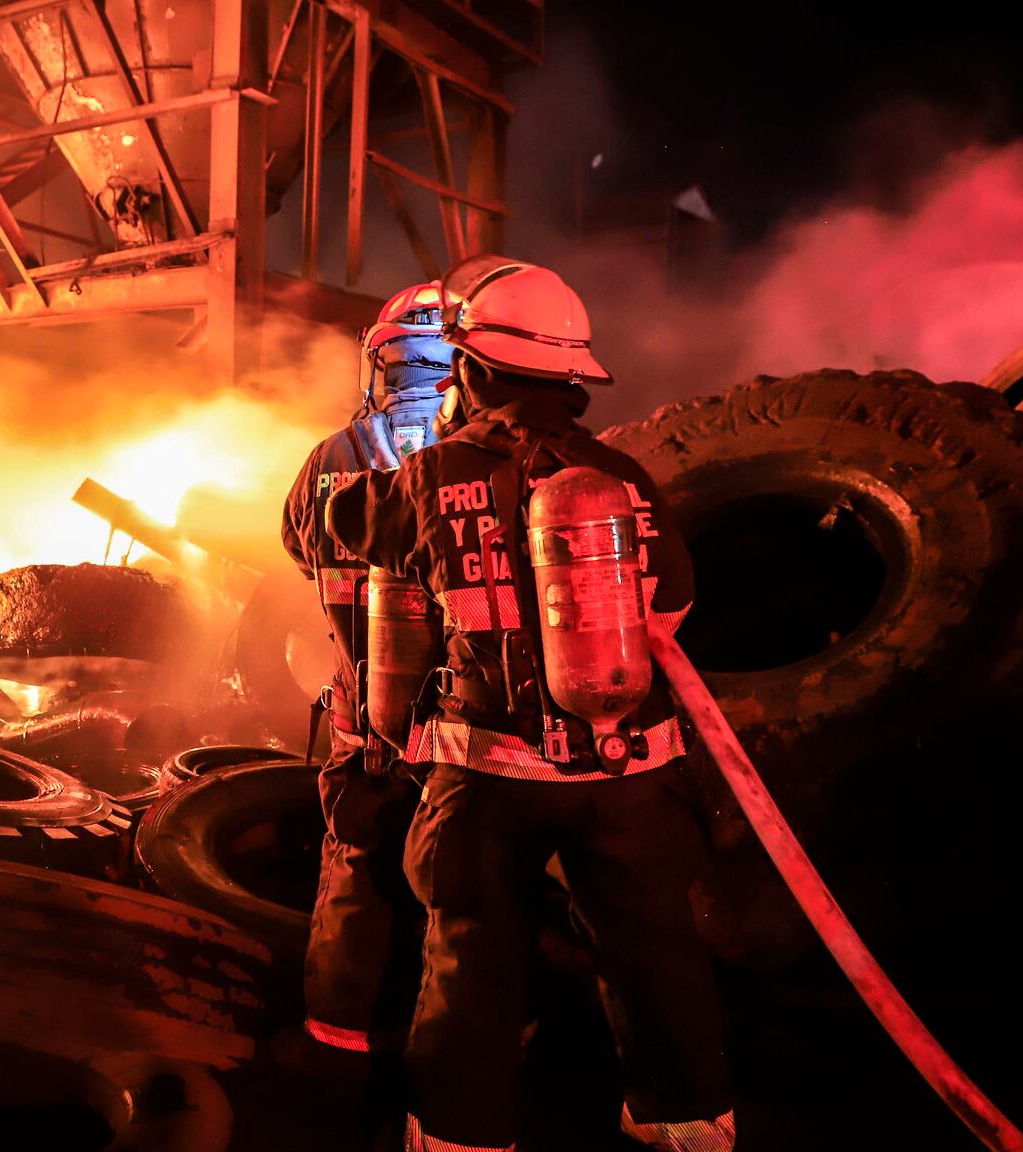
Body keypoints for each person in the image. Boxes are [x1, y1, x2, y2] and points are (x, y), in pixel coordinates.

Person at [324, 257, 733, 1152]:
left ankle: (462, 1135)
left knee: (470, 953)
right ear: (576, 379)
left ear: (469, 371)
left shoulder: (429, 478)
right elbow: (672, 604)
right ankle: (688, 1120)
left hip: (489, 774)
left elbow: (320, 531)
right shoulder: (624, 476)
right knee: (655, 949)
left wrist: (378, 435)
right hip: (629, 768)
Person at [279, 281, 450, 1068]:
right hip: (468, 728)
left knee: (357, 863)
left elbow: (295, 544)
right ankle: (453, 1040)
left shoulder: (331, 459)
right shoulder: (482, 458)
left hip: (363, 717)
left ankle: (337, 1037)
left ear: (377, 362)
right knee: (465, 888)